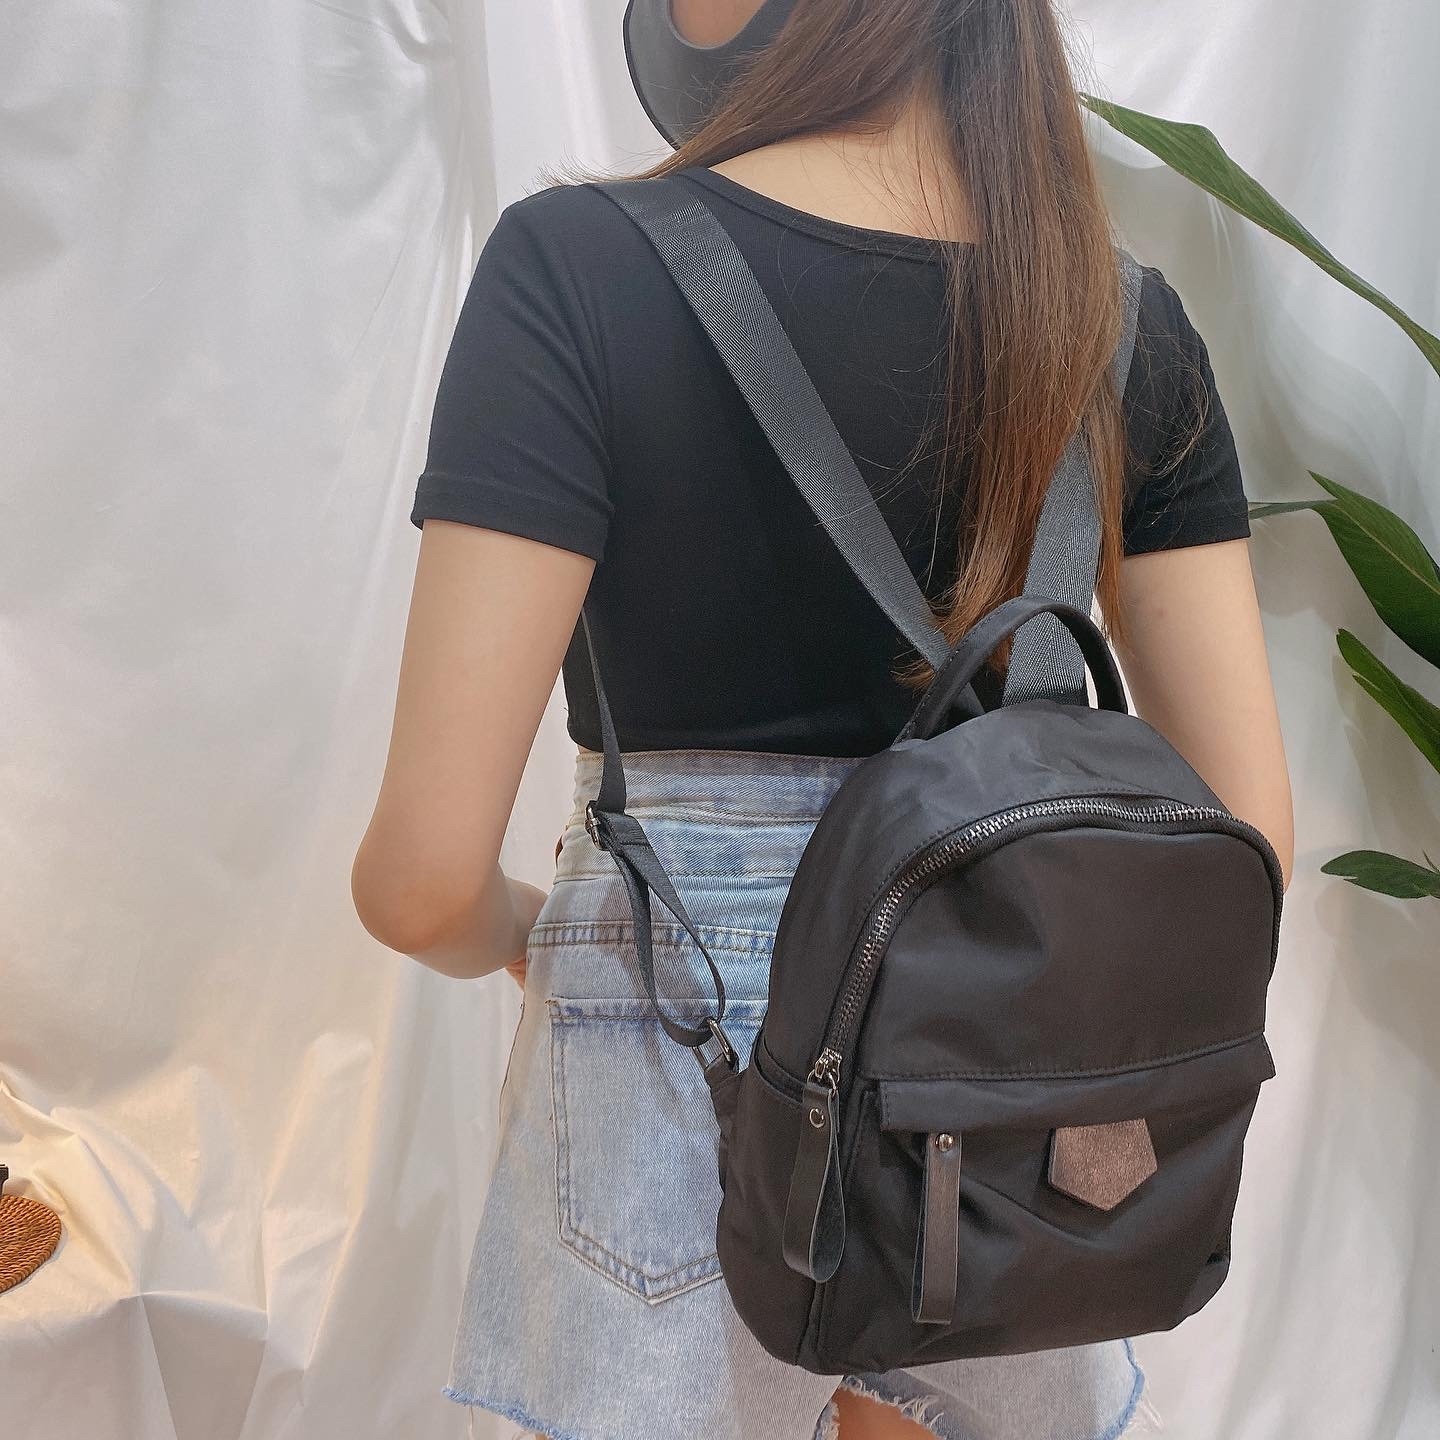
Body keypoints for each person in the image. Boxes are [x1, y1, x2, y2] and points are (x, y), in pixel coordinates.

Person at [351, 0, 1295, 1436]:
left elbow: (418, 882)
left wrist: (542, 944)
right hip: (1002, 1090)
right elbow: (1246, 845)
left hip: (687, 1052)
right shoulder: (1121, 326)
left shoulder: (580, 268)